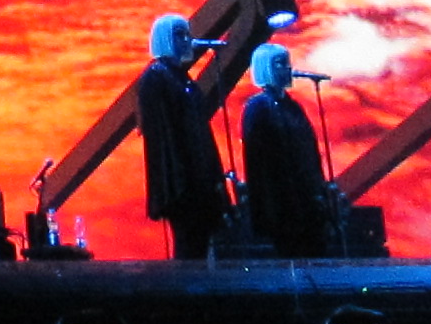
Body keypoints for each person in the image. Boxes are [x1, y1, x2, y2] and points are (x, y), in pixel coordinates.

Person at [136, 14, 227, 259]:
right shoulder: (156, 77)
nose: (187, 39)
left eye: (187, 34)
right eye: (179, 34)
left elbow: (200, 132)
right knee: (188, 245)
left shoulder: (181, 78)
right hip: (183, 184)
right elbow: (163, 139)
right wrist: (178, 184)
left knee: (199, 245)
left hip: (198, 181)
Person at [240, 42, 331, 258]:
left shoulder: (293, 107)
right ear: (265, 67)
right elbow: (259, 161)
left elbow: (309, 149)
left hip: (306, 197)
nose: (288, 68)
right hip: (281, 200)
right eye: (280, 63)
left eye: (287, 63)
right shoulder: (257, 107)